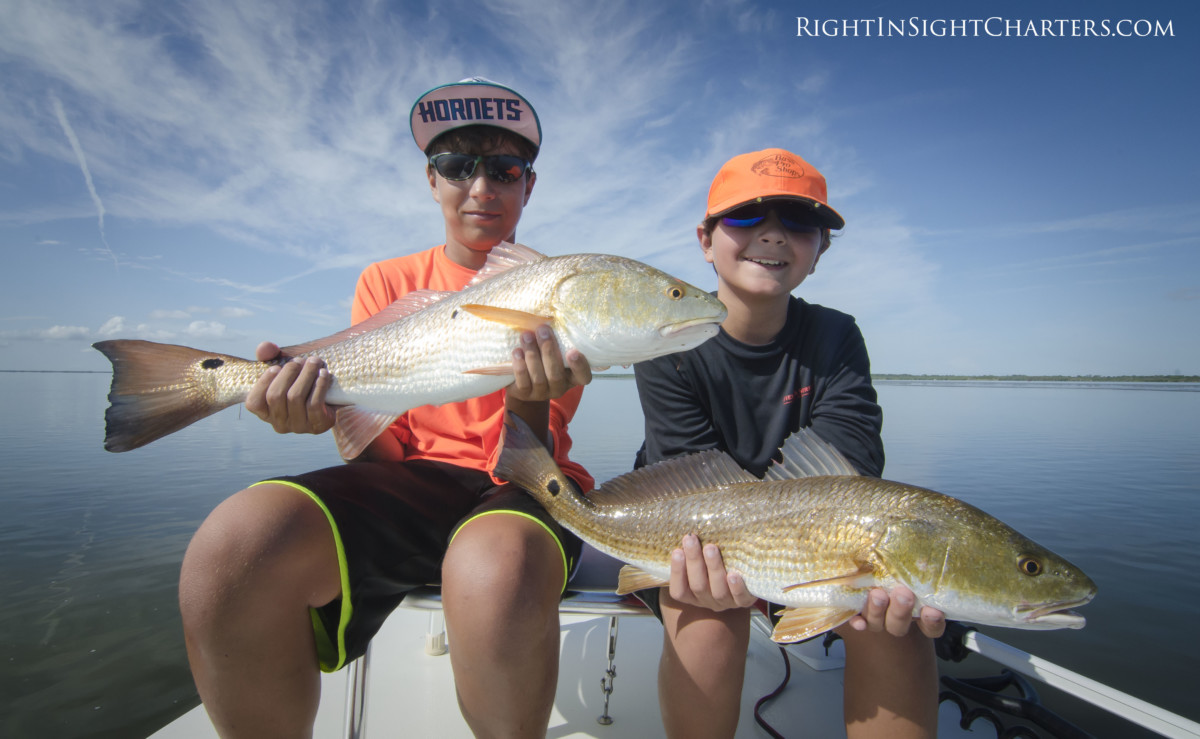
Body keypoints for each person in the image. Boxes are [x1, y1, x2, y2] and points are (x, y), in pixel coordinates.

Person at [178, 78, 594, 739]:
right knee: (231, 548)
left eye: (504, 169)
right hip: (415, 480)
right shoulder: (383, 281)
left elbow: (527, 451)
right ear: (432, 181)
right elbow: (384, 454)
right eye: (458, 167)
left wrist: (527, 392)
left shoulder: (563, 288)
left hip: (525, 477)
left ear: (528, 185)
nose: (480, 187)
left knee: (496, 567)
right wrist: (323, 413)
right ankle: (204, 384)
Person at [632, 148, 946, 739]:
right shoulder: (666, 342)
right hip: (690, 536)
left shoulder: (836, 334)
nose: (773, 234)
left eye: (799, 223)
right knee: (708, 625)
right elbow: (684, 474)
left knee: (891, 624)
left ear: (820, 249)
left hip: (816, 547)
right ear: (706, 239)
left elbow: (849, 464)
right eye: (747, 216)